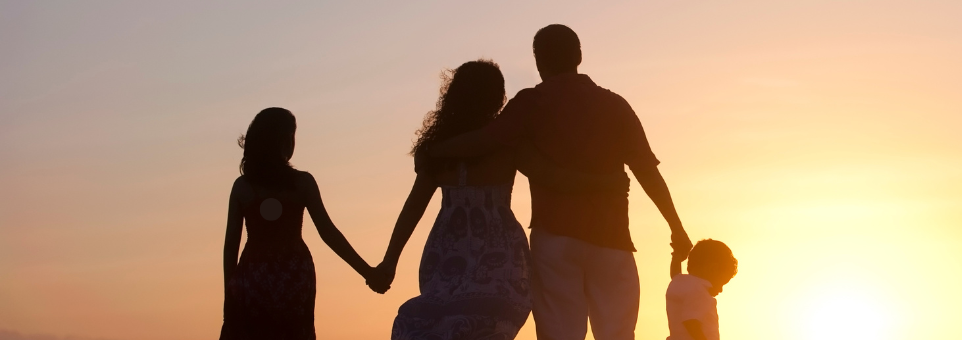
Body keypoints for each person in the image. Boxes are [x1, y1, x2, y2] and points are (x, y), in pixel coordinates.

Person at [429, 24, 693, 340]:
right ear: (579, 55)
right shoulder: (615, 105)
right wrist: (676, 227)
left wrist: (434, 151)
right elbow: (648, 172)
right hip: (612, 240)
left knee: (559, 334)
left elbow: (486, 140)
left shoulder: (530, 103)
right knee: (618, 333)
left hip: (555, 241)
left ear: (539, 61)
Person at [370, 60, 628, 340]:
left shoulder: (437, 152)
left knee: (441, 325)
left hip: (446, 252)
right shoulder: (508, 144)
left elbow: (413, 208)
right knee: (488, 325)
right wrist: (603, 183)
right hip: (499, 252)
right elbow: (552, 177)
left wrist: (390, 261)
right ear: (497, 97)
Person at [221, 107, 377, 340]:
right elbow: (329, 233)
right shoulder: (302, 183)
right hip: (294, 276)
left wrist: (229, 296)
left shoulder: (243, 187)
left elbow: (230, 246)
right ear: (284, 141)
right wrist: (368, 272)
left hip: (252, 277)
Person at [666, 239, 737, 340]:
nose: (720, 290)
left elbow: (675, 274)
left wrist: (676, 256)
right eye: (721, 283)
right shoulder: (699, 291)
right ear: (713, 269)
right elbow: (691, 322)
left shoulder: (680, 282)